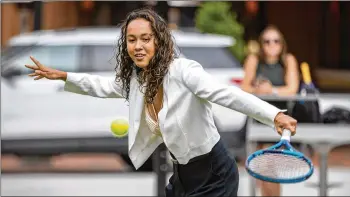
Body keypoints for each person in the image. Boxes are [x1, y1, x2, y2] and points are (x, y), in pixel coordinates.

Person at [25, 9, 297, 197]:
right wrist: (64, 76)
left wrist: (273, 115)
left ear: (159, 41)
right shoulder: (138, 79)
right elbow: (103, 85)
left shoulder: (183, 70)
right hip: (182, 173)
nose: (138, 46)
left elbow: (224, 93)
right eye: (132, 40)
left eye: (146, 38)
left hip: (214, 173)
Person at [241, 25, 300, 196]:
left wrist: (271, 90)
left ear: (282, 44)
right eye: (267, 41)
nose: (271, 44)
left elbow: (292, 88)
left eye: (276, 41)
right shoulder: (254, 60)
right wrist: (259, 90)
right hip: (257, 119)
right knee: (260, 169)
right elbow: (244, 87)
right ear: (261, 44)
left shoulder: (288, 60)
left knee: (270, 168)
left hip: (279, 120)